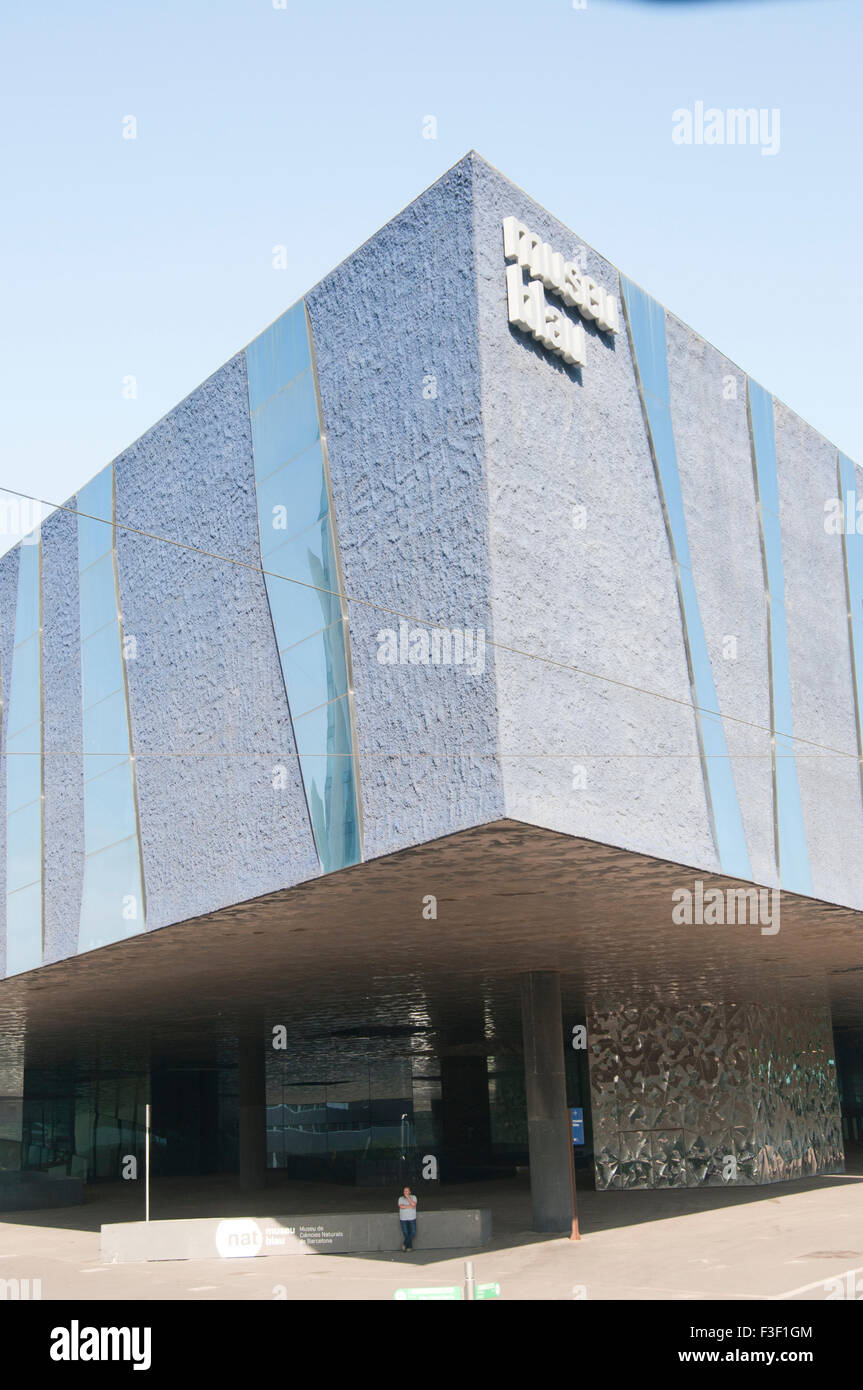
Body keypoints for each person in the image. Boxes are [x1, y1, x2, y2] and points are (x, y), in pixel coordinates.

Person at [398, 1185, 417, 1251]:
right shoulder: (400, 1198)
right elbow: (401, 1206)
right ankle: (409, 1247)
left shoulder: (414, 1197)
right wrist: (410, 1206)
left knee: (413, 1232)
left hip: (412, 1218)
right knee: (406, 1233)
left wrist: (408, 1198)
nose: (405, 1192)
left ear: (410, 1192)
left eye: (406, 1191)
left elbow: (414, 1204)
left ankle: (404, 1244)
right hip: (403, 1218)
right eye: (404, 1191)